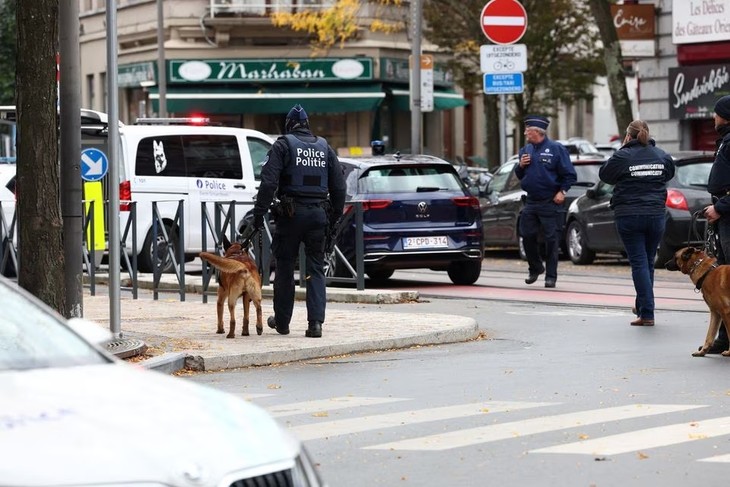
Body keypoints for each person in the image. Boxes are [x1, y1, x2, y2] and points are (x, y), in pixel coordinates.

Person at [252, 104, 346, 338]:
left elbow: (269, 182)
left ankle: (282, 322)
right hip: (318, 215)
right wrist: (333, 218)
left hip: (290, 216)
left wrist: (258, 213)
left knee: (284, 267)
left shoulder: (283, 145)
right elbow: (339, 187)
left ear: (289, 125)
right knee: (315, 268)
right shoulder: (325, 147)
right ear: (307, 125)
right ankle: (315, 324)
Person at [599, 120, 675, 327]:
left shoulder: (623, 156)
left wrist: (623, 148)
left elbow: (605, 175)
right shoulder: (662, 155)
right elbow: (669, 174)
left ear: (628, 136)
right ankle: (642, 306)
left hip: (630, 215)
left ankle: (647, 312)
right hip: (656, 215)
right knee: (648, 261)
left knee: (640, 262)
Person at [515, 115, 577, 288]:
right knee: (526, 235)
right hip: (531, 201)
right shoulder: (525, 150)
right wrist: (520, 165)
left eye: (528, 130)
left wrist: (562, 191)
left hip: (551, 201)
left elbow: (569, 175)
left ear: (537, 132)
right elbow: (519, 175)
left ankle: (551, 276)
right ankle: (535, 267)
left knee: (551, 239)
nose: (526, 132)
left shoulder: (556, 149)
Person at [701, 95, 730, 351]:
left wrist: (720, 207)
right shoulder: (725, 141)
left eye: (716, 113)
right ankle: (724, 337)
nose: (713, 117)